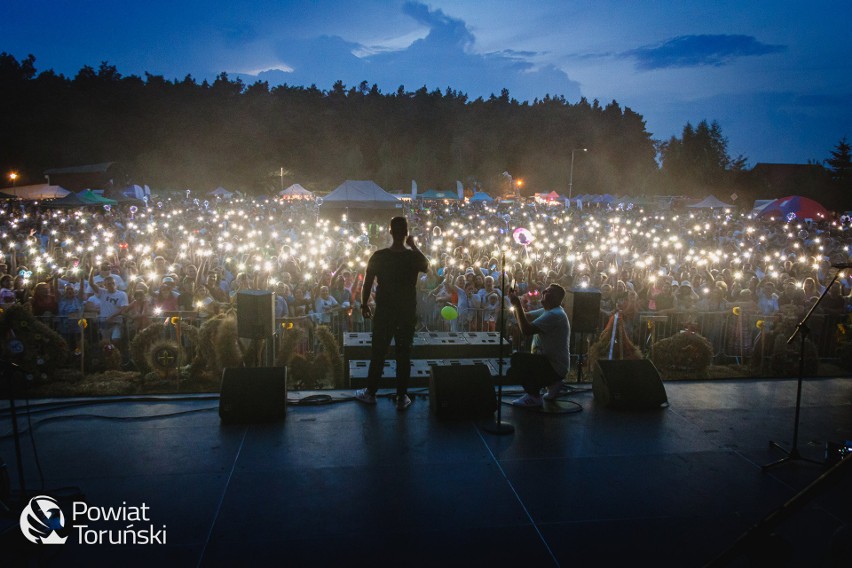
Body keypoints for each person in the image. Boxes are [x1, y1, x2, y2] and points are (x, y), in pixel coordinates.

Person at [355, 217, 428, 411]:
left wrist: (364, 304)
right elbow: (426, 265)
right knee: (403, 354)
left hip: (385, 312)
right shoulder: (412, 257)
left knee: (378, 352)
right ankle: (401, 396)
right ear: (406, 233)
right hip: (406, 313)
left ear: (389, 232)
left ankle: (370, 393)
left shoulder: (379, 256)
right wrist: (414, 246)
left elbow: (368, 282)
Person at [507, 283, 571, 407]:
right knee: (515, 368)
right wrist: (515, 304)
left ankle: (534, 397)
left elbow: (526, 330)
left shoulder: (554, 315)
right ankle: (553, 384)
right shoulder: (548, 311)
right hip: (552, 363)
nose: (543, 292)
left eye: (547, 292)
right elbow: (525, 318)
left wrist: (517, 305)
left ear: (556, 299)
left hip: (553, 366)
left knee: (518, 360)